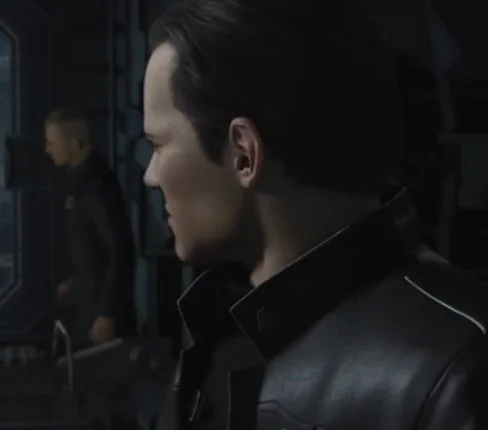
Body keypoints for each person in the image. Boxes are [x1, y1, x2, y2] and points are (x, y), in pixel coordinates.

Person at [142, 0, 488, 429]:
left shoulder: (461, 370)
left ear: (244, 153)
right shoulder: (216, 329)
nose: (150, 176)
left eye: (158, 146)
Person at [44, 107, 137, 348]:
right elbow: (93, 249)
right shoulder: (80, 183)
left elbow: (120, 249)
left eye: (52, 142)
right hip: (90, 302)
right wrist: (77, 282)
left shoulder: (97, 186)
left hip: (101, 312)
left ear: (74, 144)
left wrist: (108, 313)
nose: (47, 149)